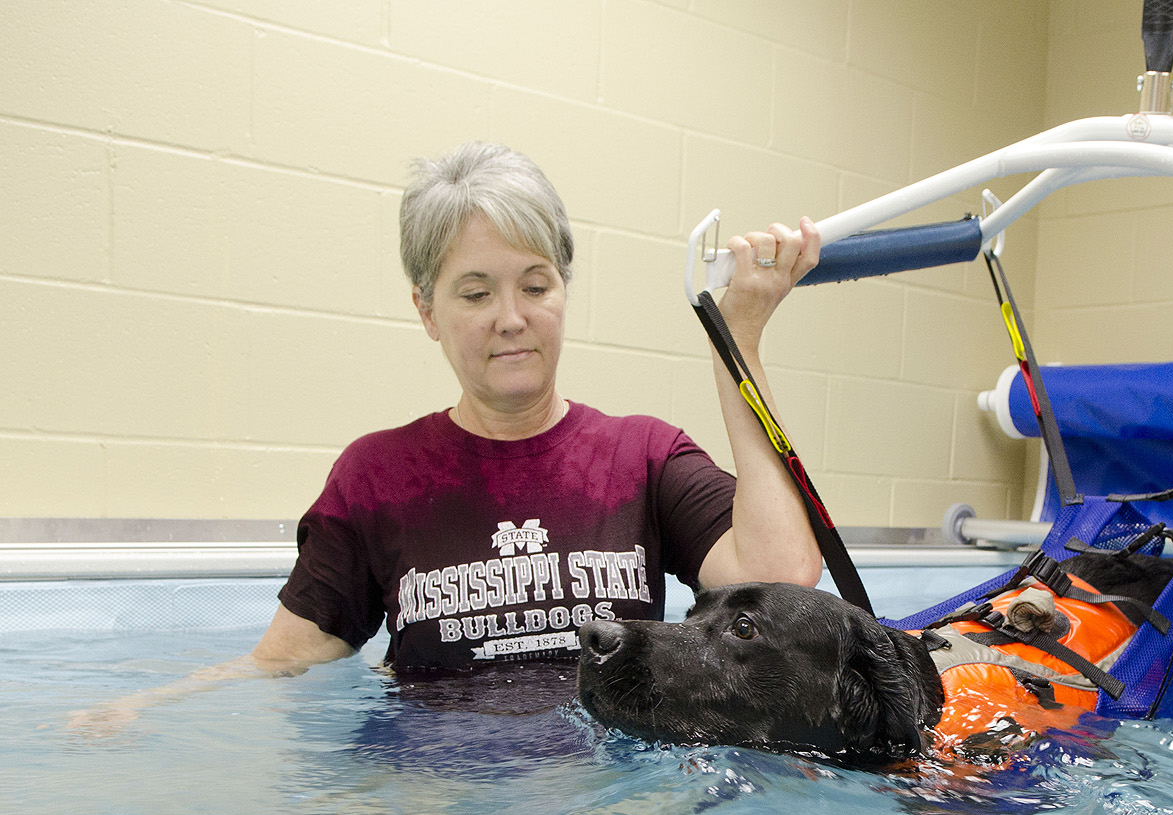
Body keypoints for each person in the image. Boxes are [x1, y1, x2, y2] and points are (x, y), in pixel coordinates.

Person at [73, 141, 822, 723]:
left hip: (602, 805)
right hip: (436, 800)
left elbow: (780, 573)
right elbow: (281, 660)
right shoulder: (378, 477)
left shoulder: (643, 457)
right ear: (426, 309)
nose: (510, 317)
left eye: (535, 284)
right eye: (474, 292)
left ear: (564, 291)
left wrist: (739, 338)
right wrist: (150, 704)